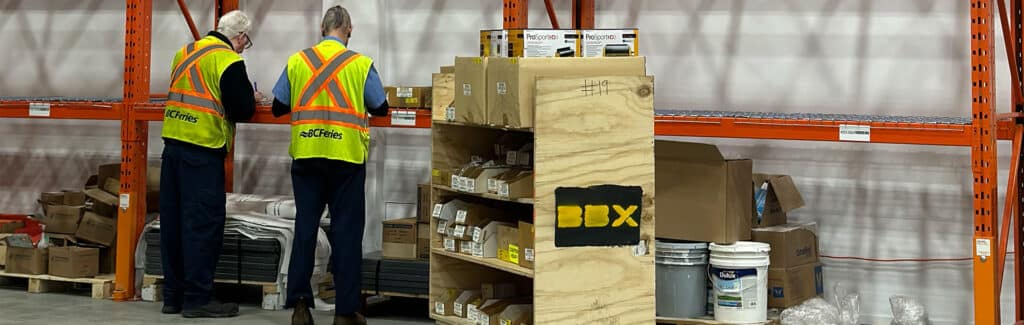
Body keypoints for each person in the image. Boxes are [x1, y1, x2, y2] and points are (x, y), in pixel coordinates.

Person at [271, 5, 388, 325]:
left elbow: (279, 105)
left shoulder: (298, 61)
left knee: (305, 229)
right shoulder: (360, 64)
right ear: (348, 29)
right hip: (346, 160)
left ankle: (298, 306)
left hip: (307, 155)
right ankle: (345, 312)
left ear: (322, 29)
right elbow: (380, 106)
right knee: (347, 234)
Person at [159, 10, 259, 318]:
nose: (244, 48)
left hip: (172, 148)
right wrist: (251, 94)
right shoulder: (227, 59)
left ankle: (173, 296)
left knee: (173, 225)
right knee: (202, 225)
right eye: (246, 42)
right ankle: (198, 298)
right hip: (202, 150)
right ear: (239, 37)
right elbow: (242, 108)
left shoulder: (185, 52)